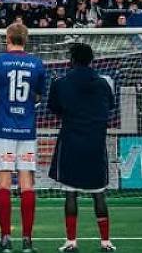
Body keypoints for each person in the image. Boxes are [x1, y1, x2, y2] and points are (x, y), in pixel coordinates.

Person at [48, 43, 115, 253]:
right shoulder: (103, 84)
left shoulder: (61, 83)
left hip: (71, 142)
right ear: (91, 60)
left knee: (70, 193)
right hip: (95, 143)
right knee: (99, 194)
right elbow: (110, 107)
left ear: (72, 60)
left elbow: (54, 108)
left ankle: (71, 242)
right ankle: (105, 242)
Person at [0, 23, 47, 253]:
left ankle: (5, 238)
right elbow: (39, 95)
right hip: (27, 129)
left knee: (3, 183)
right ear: (26, 39)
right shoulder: (37, 64)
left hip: (4, 129)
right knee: (27, 184)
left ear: (7, 38)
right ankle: (27, 240)